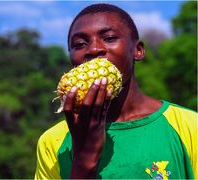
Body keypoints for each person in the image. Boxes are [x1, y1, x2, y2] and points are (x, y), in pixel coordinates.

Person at [34, 3, 197, 179]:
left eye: (109, 38)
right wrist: (83, 161)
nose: (94, 49)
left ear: (138, 50)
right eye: (80, 44)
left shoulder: (189, 126)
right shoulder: (52, 142)